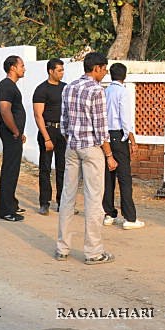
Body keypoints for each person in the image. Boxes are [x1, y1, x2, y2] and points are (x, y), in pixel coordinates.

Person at [56, 52, 118, 264]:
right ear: (97, 68)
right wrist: (109, 155)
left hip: (72, 147)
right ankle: (93, 252)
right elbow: (101, 129)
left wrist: (71, 139)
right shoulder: (96, 90)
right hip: (91, 148)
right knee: (93, 200)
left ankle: (62, 248)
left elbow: (63, 123)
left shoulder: (69, 87)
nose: (105, 72)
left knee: (67, 197)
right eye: (104, 68)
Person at [104, 62, 143, 229]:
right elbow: (125, 119)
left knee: (108, 176)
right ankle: (130, 218)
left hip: (105, 137)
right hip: (119, 136)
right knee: (124, 177)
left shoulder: (104, 91)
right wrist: (132, 140)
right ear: (124, 76)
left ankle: (109, 213)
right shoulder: (122, 92)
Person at [33, 58, 66, 215]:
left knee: (63, 168)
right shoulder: (41, 89)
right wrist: (46, 137)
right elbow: (38, 115)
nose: (61, 73)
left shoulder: (65, 88)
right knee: (45, 168)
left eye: (62, 70)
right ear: (50, 71)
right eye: (59, 70)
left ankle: (62, 202)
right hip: (48, 130)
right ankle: (44, 202)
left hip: (63, 133)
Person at [0, 55, 27, 222]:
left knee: (14, 170)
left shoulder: (11, 86)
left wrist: (19, 132)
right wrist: (15, 131)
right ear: (13, 68)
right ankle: (6, 210)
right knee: (9, 170)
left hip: (14, 133)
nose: (24, 68)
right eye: (21, 65)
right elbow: (5, 110)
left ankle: (12, 203)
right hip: (10, 134)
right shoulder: (6, 86)